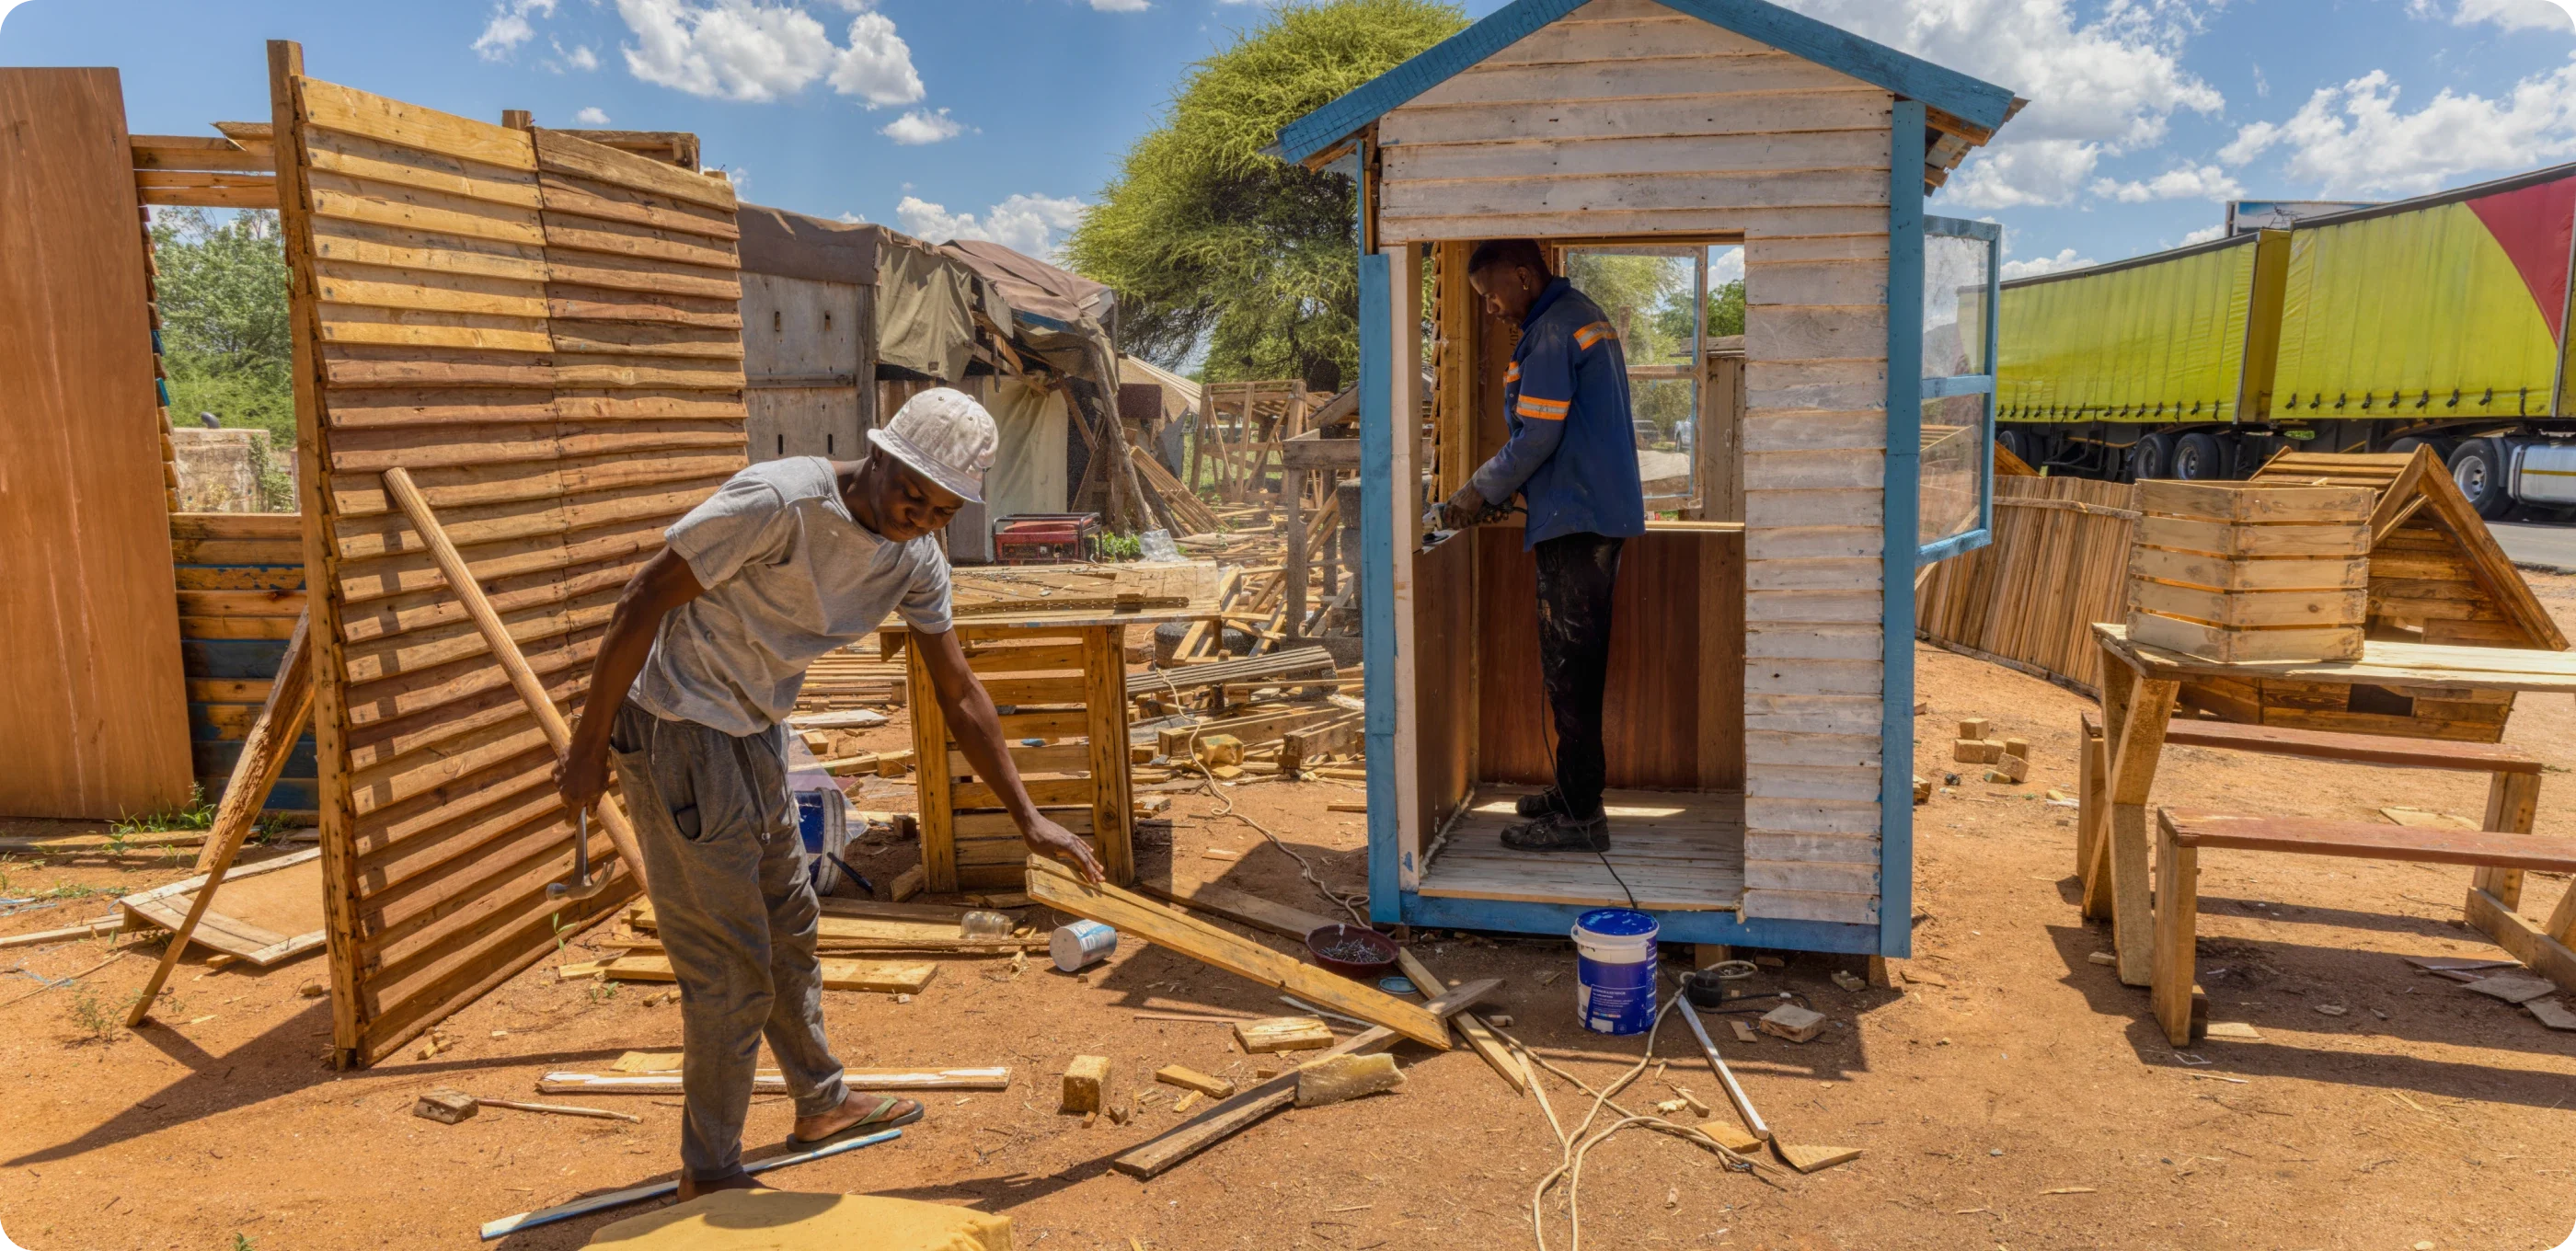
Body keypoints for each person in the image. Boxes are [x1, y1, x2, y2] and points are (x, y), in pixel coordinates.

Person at [554, 388, 1105, 1200]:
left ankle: (821, 1102)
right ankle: (709, 1170)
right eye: (909, 494)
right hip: (677, 726)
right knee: (730, 963)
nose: (918, 517)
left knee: (791, 921)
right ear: (876, 456)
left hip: (755, 730)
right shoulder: (778, 502)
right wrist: (589, 743)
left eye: (941, 510)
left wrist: (1028, 817)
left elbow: (958, 692)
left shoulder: (917, 558)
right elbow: (642, 599)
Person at [1435, 239, 1647, 854]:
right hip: (1588, 512)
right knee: (1573, 668)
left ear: (1524, 276)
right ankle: (1573, 790)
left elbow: (1536, 436)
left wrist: (1477, 492)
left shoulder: (1553, 332)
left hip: (1577, 520)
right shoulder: (1577, 314)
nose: (1491, 309)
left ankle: (1582, 817)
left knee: (1570, 671)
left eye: (1491, 294)